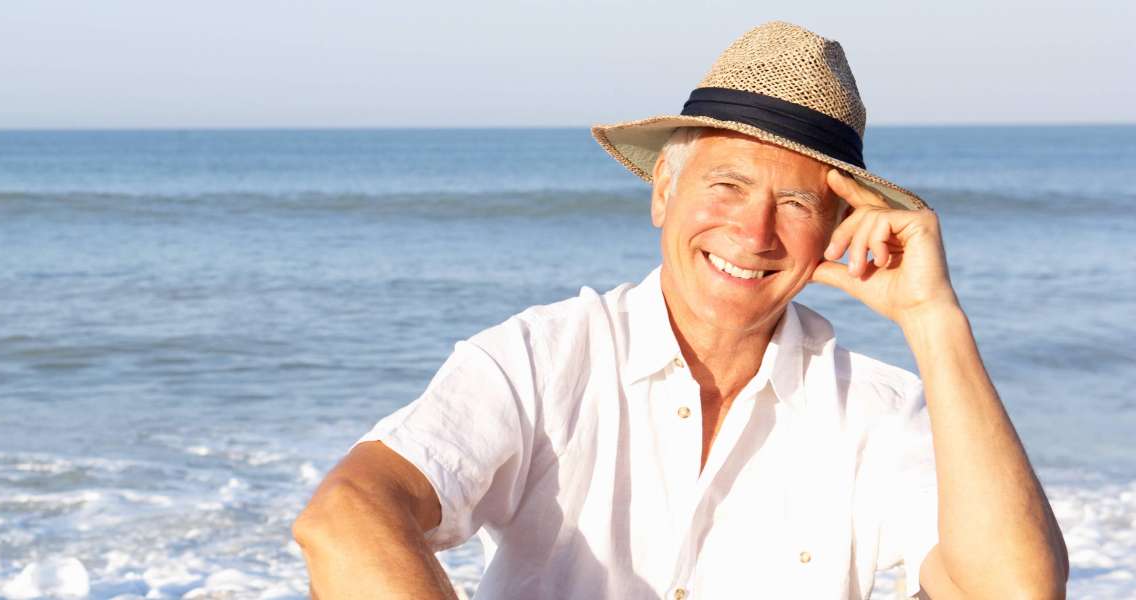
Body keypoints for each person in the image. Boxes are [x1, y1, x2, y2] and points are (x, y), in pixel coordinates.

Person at [292, 22, 1068, 599]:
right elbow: (347, 516)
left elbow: (1015, 591)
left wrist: (934, 320)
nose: (754, 232)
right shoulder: (542, 358)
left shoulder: (876, 412)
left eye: (796, 202)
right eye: (726, 185)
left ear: (835, 230)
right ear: (665, 190)